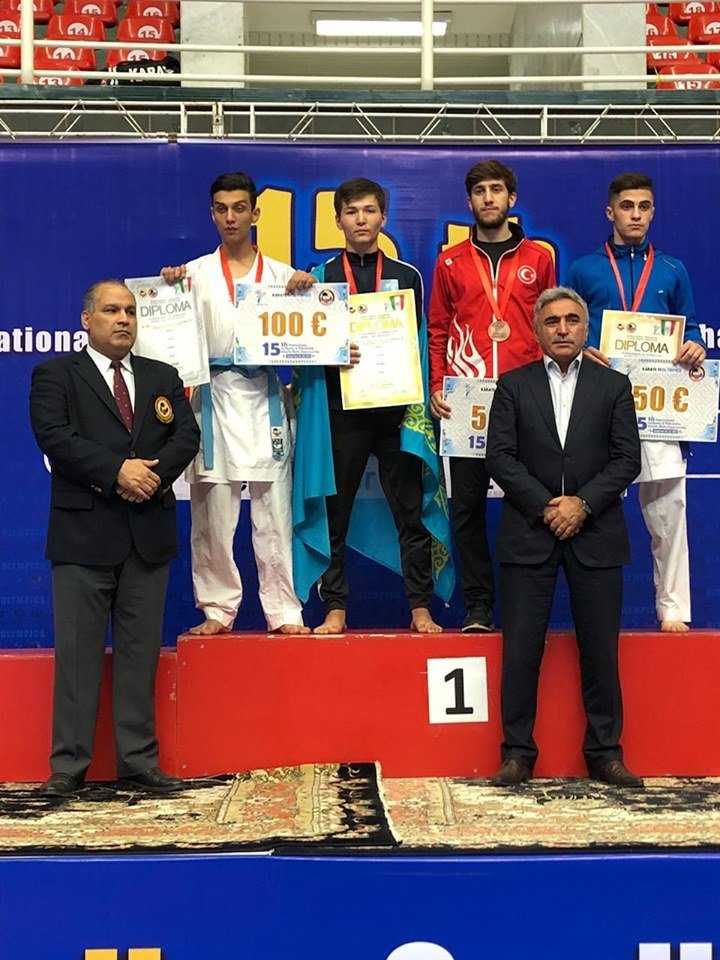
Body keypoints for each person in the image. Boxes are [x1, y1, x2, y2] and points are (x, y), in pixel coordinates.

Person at [29, 281, 200, 797]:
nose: (123, 319)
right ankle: (68, 766)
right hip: (83, 536)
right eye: (110, 310)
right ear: (87, 319)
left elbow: (187, 436)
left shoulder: (162, 376)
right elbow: (54, 437)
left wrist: (150, 477)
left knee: (139, 653)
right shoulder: (56, 374)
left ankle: (138, 761)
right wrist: (116, 471)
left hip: (147, 534)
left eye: (129, 311)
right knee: (78, 656)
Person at [486, 287, 642, 788]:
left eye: (572, 320)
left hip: (596, 532)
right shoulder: (512, 385)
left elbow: (627, 459)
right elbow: (500, 457)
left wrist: (582, 504)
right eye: (552, 321)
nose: (562, 328)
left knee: (600, 652)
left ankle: (605, 754)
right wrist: (547, 506)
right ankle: (516, 755)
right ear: (537, 329)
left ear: (585, 327)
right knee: (521, 652)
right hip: (529, 531)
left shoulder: (614, 386)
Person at [293, 177, 453, 634]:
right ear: (338, 220)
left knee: (410, 510)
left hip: (396, 409)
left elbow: (421, 344)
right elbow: (302, 345)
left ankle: (419, 606)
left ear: (383, 217)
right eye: (351, 212)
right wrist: (296, 293)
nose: (360, 219)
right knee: (335, 511)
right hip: (340, 411)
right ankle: (336, 608)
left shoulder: (407, 276)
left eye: (368, 211)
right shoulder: (319, 276)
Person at [161, 172, 314, 637]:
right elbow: (170, 332)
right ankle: (217, 608)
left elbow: (313, 335)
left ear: (255, 213)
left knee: (276, 514)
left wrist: (309, 295)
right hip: (212, 398)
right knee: (212, 513)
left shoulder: (284, 276)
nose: (230, 217)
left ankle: (284, 610)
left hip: (265, 397)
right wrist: (168, 289)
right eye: (222, 208)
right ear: (212, 214)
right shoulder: (192, 274)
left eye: (239, 208)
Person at [566, 172, 706, 634]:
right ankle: (595, 615)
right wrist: (583, 348)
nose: (636, 215)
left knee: (669, 509)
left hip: (658, 405)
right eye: (627, 206)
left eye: (644, 207)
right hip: (599, 401)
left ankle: (673, 609)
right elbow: (568, 325)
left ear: (653, 212)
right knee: (596, 510)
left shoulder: (672, 269)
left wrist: (694, 344)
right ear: (611, 212)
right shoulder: (584, 269)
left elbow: (689, 326)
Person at [428, 159, 556, 633]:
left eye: (496, 189)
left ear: (511, 198)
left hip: (526, 397)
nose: (488, 198)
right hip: (466, 400)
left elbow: (551, 326)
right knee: (467, 509)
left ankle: (526, 603)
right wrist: (437, 385)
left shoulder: (539, 259)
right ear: (469, 201)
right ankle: (478, 605)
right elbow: (438, 329)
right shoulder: (450, 262)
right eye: (480, 190)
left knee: (531, 503)